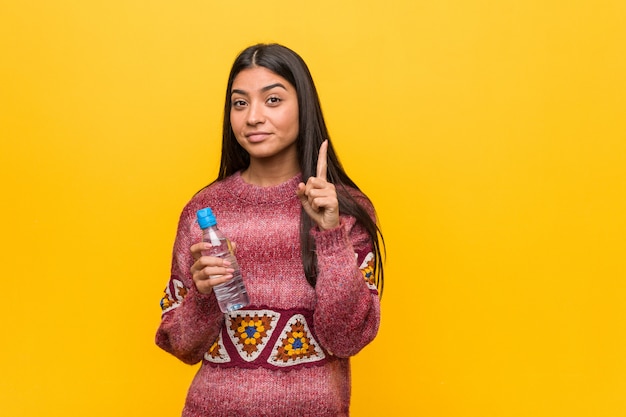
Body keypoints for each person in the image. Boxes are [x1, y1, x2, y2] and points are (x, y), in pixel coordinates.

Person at [155, 43, 385, 417]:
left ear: (303, 107)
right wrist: (201, 296)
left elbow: (347, 337)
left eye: (273, 100)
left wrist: (330, 237)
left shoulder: (343, 210)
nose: (253, 117)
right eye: (240, 103)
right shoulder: (204, 211)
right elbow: (181, 345)